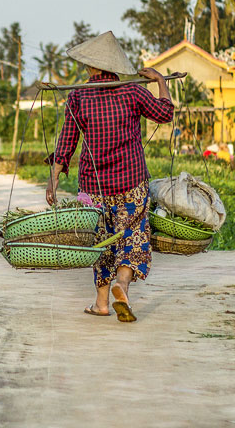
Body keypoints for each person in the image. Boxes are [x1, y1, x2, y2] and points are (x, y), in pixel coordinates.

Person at [45, 31, 174, 322]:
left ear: (92, 67)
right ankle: (122, 286)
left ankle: (102, 303)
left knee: (101, 241)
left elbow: (67, 142)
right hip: (131, 181)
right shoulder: (132, 91)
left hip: (93, 186)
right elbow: (165, 113)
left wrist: (54, 177)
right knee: (133, 234)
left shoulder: (78, 96)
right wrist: (160, 81)